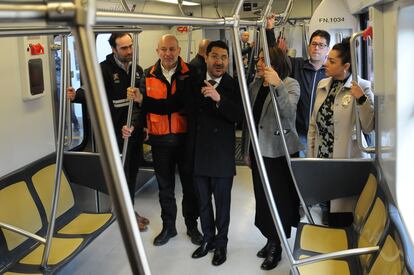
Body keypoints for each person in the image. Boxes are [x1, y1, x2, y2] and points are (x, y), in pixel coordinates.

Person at [126, 40, 242, 265]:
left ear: (228, 60)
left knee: (222, 204)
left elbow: (240, 117)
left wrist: (219, 100)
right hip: (197, 152)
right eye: (215, 56)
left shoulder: (234, 85)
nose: (219, 62)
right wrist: (143, 100)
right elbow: (168, 105)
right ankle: (207, 239)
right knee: (204, 202)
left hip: (221, 156)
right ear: (205, 58)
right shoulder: (192, 83)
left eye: (224, 57)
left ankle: (221, 244)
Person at [124, 34, 202, 247]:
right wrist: (133, 127)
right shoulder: (147, 75)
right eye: (164, 49)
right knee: (165, 188)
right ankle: (169, 227)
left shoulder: (191, 73)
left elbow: (181, 105)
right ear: (157, 51)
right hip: (160, 142)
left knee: (189, 187)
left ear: (178, 50)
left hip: (185, 140)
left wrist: (145, 101)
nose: (168, 54)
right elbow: (140, 110)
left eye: (172, 49)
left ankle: (192, 226)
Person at [67, 32, 149, 232]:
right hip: (117, 134)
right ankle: (127, 215)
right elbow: (91, 92)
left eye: (130, 46)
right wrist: (76, 95)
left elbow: (143, 101)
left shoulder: (137, 70)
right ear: (114, 49)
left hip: (135, 131)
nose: (129, 51)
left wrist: (144, 125)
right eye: (124, 48)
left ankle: (129, 210)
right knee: (122, 174)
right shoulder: (103, 70)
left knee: (132, 173)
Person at [242, 47, 302, 270]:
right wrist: (246, 150)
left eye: (261, 59)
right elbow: (250, 121)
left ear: (274, 63)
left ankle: (277, 244)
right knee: (263, 199)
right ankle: (270, 238)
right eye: (257, 59)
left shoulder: (289, 84)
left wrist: (277, 85)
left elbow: (288, 113)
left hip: (279, 153)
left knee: (279, 201)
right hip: (259, 152)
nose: (257, 63)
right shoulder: (255, 86)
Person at [307, 38, 374, 219]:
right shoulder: (323, 85)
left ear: (346, 66)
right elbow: (314, 125)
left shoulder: (362, 87)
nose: (326, 63)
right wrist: (310, 159)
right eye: (327, 59)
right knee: (325, 213)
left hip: (345, 164)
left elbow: (368, 127)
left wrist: (361, 100)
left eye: (332, 61)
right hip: (323, 163)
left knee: (342, 217)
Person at [289, 30, 331, 155]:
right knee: (301, 171)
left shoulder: (330, 73)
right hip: (299, 133)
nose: (316, 48)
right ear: (308, 47)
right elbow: (276, 59)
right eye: (313, 44)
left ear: (327, 50)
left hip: (322, 135)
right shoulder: (297, 65)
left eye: (321, 45)